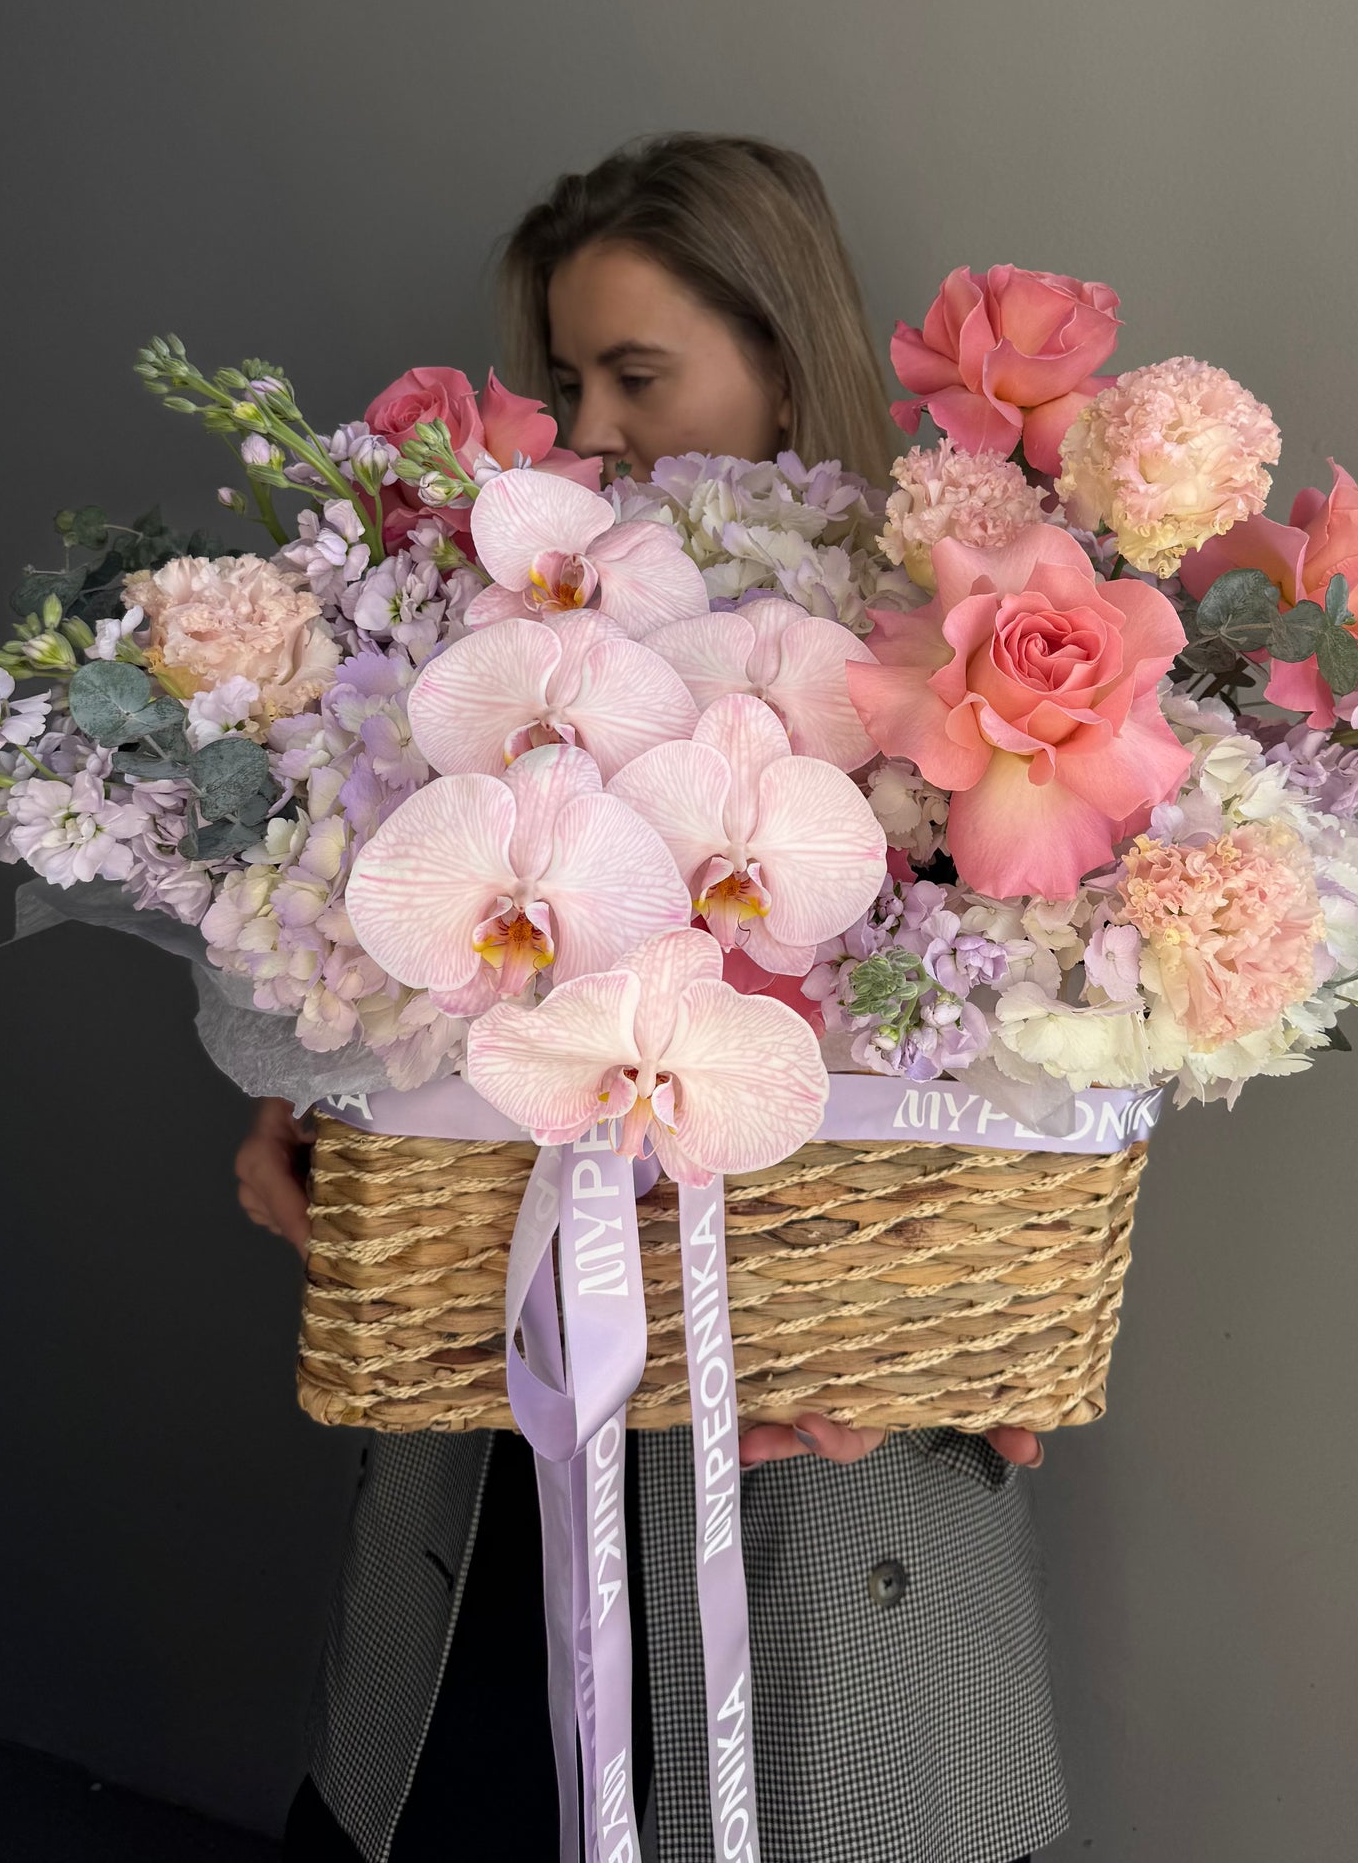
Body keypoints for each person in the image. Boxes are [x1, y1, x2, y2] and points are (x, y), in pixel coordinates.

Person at [248, 133, 1068, 1863]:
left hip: (811, 1462)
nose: (592, 431)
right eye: (565, 383)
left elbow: (1048, 1057)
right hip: (509, 1423)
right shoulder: (480, 638)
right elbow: (373, 967)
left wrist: (933, 1325)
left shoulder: (942, 665)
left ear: (783, 365)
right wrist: (311, 1091)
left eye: (638, 372)